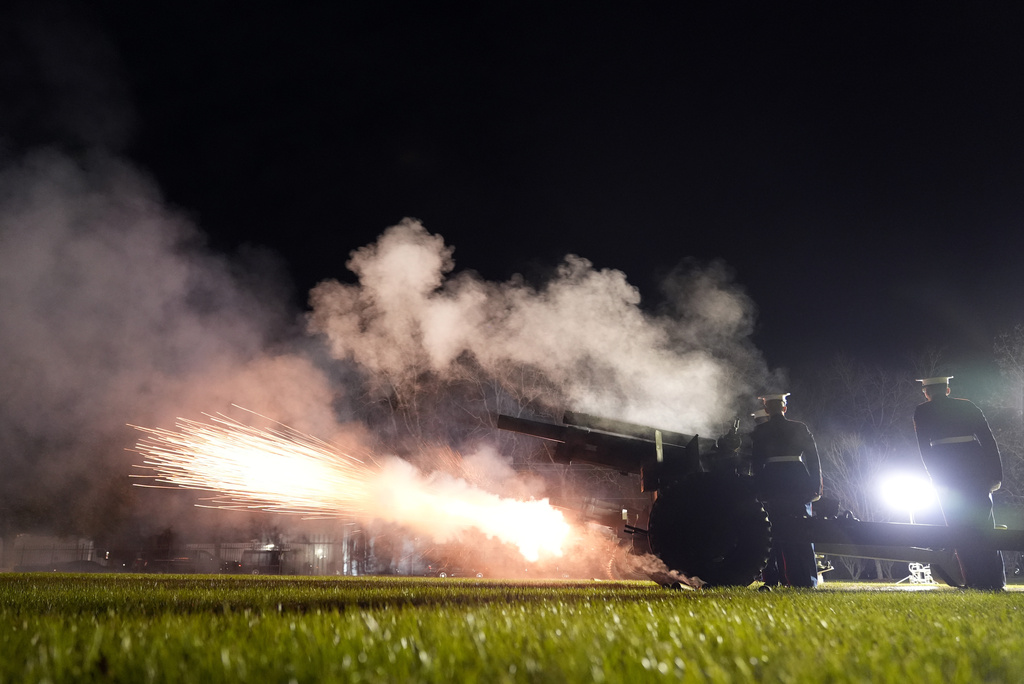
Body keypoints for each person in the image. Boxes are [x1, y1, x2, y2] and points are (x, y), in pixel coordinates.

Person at [913, 376, 1005, 590]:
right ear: (947, 389)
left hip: (947, 477)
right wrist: (996, 475)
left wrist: (935, 478)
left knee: (959, 529)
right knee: (984, 526)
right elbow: (989, 441)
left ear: (926, 392)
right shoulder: (968, 407)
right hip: (977, 473)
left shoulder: (923, 411)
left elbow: (924, 450)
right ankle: (994, 581)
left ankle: (973, 580)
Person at [751, 392, 823, 588]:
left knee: (772, 533)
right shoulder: (799, 427)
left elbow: (756, 464)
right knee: (802, 531)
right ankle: (807, 580)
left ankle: (773, 579)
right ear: (784, 408)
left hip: (772, 482)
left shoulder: (760, 431)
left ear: (766, 410)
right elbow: (813, 459)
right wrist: (815, 487)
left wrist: (758, 488)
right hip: (798, 481)